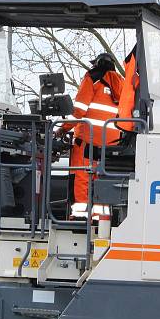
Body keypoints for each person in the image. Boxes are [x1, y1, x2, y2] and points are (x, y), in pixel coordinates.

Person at [57, 53, 124, 218]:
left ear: (97, 64)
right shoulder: (122, 84)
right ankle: (101, 218)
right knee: (102, 179)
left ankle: (81, 216)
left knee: (82, 175)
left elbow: (78, 110)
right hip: (112, 143)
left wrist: (62, 129)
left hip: (88, 139)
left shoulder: (92, 79)